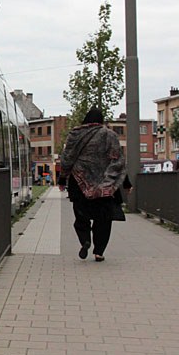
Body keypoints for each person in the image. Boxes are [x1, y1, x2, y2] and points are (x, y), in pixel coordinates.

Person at [58, 107, 130, 262]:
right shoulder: (110, 135)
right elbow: (118, 160)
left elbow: (67, 159)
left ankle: (85, 239)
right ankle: (99, 251)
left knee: (81, 215)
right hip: (105, 185)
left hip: (79, 183)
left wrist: (62, 179)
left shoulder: (75, 135)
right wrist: (126, 183)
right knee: (103, 219)